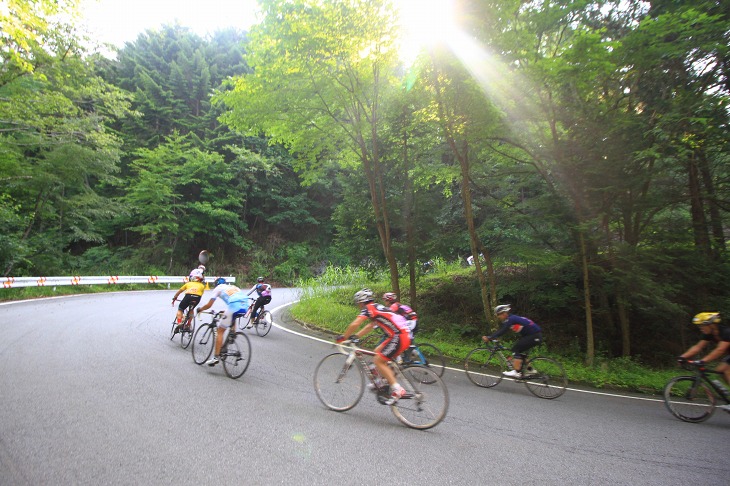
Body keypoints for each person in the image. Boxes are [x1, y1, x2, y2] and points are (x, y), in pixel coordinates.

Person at [336, 289, 412, 404]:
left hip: (399, 336)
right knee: (377, 352)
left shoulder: (368, 308)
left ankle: (397, 389)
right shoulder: (377, 307)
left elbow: (355, 323)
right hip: (403, 335)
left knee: (378, 360)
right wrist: (356, 336)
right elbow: (371, 326)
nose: (358, 306)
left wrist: (344, 337)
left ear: (362, 302)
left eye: (358, 304)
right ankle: (382, 383)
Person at [678, 312, 730, 411]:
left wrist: (703, 361)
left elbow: (720, 350)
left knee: (725, 370)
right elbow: (698, 347)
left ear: (711, 324)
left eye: (702, 325)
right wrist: (682, 357)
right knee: (721, 370)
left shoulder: (726, 332)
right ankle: (726, 393)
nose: (700, 328)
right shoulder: (709, 334)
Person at [196, 277, 249, 367]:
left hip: (233, 306)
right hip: (245, 306)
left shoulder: (218, 288)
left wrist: (200, 309)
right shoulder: (234, 287)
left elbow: (209, 305)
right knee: (233, 316)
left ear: (216, 284)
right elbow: (234, 301)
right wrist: (225, 311)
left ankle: (216, 357)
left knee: (220, 331)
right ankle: (232, 335)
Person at [482, 304, 543, 378]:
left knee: (515, 349)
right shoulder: (512, 318)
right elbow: (504, 330)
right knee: (520, 353)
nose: (498, 317)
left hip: (534, 336)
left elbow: (503, 330)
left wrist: (490, 337)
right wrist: (495, 337)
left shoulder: (511, 319)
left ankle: (516, 372)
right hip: (534, 336)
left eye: (499, 314)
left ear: (504, 313)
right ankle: (530, 370)